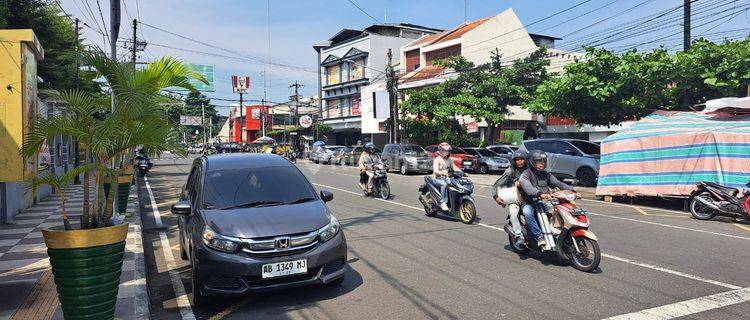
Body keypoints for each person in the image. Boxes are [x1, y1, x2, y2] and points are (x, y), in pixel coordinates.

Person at [518, 150, 578, 247]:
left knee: (558, 212)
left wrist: (572, 190)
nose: (541, 164)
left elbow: (558, 183)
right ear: (531, 162)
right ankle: (539, 236)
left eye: (543, 161)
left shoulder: (546, 174)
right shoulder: (526, 174)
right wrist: (539, 194)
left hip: (545, 201)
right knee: (527, 213)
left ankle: (560, 235)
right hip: (529, 202)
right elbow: (528, 187)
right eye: (538, 161)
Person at [491, 150, 529, 248]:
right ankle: (518, 235)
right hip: (515, 198)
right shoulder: (510, 171)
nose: (520, 162)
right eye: (517, 160)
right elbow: (496, 185)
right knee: (513, 213)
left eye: (522, 159)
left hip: (529, 197)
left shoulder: (530, 170)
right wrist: (496, 197)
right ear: (514, 161)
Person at [432, 142, 461, 211]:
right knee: (444, 184)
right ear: (441, 151)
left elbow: (454, 167)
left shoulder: (449, 159)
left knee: (455, 183)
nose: (447, 152)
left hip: (446, 178)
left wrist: (462, 172)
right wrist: (442, 172)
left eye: (448, 151)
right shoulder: (437, 159)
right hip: (437, 179)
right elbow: (435, 170)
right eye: (446, 151)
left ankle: (455, 201)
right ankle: (442, 202)